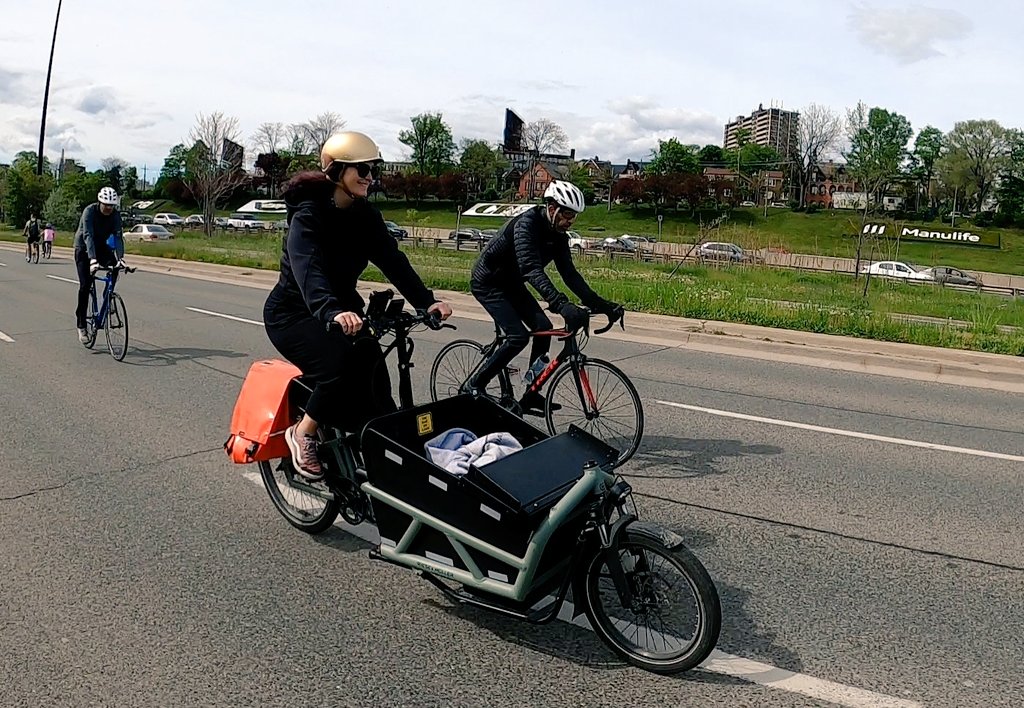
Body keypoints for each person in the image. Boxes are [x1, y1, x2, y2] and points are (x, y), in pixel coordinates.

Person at [263, 131, 453, 480]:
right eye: (361, 169)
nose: (369, 177)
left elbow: (393, 261)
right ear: (336, 171)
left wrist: (427, 302)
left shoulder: (365, 216)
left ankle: (376, 462)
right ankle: (303, 432)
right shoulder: (308, 216)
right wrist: (331, 310)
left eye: (372, 170)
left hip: (342, 311)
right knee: (337, 364)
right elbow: (308, 270)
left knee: (375, 379)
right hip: (294, 314)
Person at [467, 180, 622, 413]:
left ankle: (531, 393)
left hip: (512, 284)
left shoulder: (558, 236)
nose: (570, 221)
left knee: (543, 328)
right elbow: (531, 269)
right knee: (517, 337)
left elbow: (570, 275)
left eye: (574, 216)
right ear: (552, 208)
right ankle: (475, 384)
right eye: (567, 214)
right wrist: (561, 304)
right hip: (488, 282)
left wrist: (602, 305)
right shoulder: (526, 225)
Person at [74, 187, 126, 343]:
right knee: (85, 285)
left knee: (116, 266)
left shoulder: (115, 215)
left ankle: (107, 296)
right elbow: (88, 235)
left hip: (101, 246)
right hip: (84, 248)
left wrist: (121, 258)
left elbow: (118, 236)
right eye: (106, 205)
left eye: (112, 206)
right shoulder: (89, 211)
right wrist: (92, 260)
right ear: (100, 202)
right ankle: (81, 325)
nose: (109, 208)